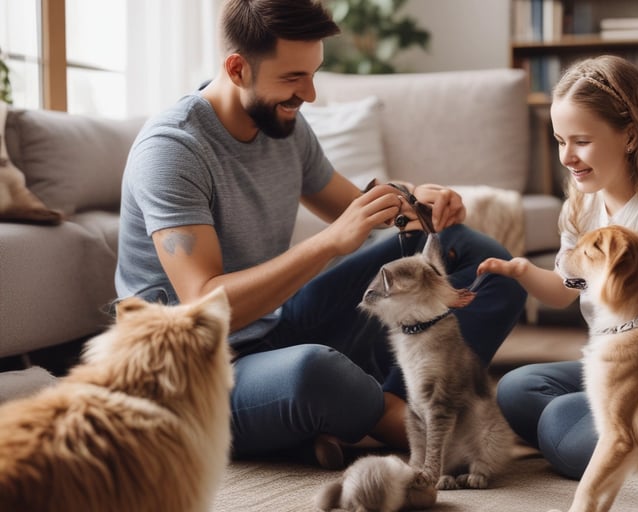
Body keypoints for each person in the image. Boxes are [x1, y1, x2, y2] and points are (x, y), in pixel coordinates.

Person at [114, 0, 527, 469]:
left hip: (276, 324)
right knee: (315, 372)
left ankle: (389, 407)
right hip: (194, 370)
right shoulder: (172, 149)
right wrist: (331, 242)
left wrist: (413, 200)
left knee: (481, 259)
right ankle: (394, 423)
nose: (309, 94)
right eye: (294, 78)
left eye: (313, 74)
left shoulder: (283, 123)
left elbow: (357, 208)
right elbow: (202, 304)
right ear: (237, 69)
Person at [477, 55, 638, 480]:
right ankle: (607, 440)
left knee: (557, 420)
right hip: (612, 373)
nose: (567, 156)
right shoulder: (582, 205)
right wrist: (521, 271)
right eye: (559, 141)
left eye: (581, 141)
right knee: (515, 389)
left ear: (631, 136)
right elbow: (563, 290)